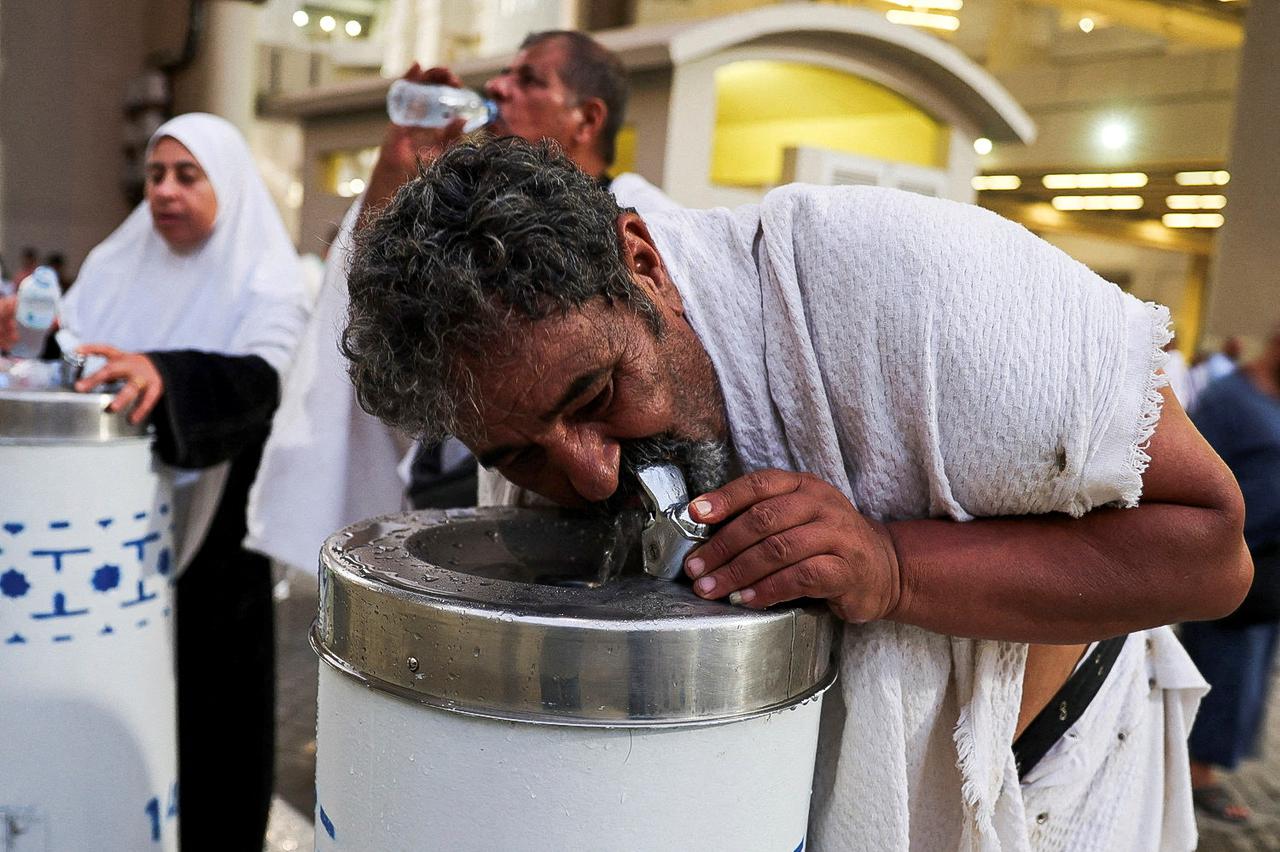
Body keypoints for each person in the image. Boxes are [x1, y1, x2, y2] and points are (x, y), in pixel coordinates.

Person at [341, 138, 1251, 850]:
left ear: (642, 263)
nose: (590, 474)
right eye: (522, 454)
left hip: (1051, 780)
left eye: (598, 397)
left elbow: (1213, 553)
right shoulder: (524, 393)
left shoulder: (906, 287)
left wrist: (894, 568)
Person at [246, 29, 678, 573]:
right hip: (446, 499)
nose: (498, 86)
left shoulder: (645, 222)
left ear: (586, 119)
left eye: (529, 80)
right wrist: (397, 172)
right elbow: (382, 326)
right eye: (504, 74)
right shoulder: (476, 230)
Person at [59, 113, 309, 851]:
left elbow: (266, 382)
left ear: (226, 182)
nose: (165, 191)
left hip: (215, 548)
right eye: (156, 174)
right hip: (102, 539)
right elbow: (75, 347)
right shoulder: (116, 261)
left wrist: (164, 376)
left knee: (211, 735)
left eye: (187, 175)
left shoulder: (267, 276)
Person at [1180, 326, 1280, 823]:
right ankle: (1195, 775)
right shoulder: (1228, 398)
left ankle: (1208, 768)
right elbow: (1194, 471)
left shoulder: (1272, 400)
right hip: (1231, 557)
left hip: (1270, 566)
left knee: (1249, 675)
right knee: (1221, 666)